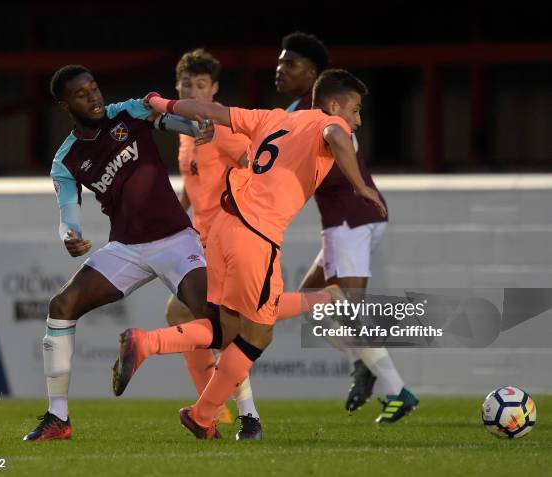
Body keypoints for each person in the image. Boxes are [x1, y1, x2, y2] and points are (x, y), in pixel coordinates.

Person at [112, 69, 387, 439]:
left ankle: (155, 353)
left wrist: (161, 102)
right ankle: (201, 406)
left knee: (226, 329)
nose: (357, 119)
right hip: (255, 234)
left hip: (223, 224)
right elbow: (337, 134)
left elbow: (208, 112)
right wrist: (361, 187)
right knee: (258, 335)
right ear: (334, 104)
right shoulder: (331, 124)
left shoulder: (273, 117)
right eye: (355, 109)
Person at [23, 64, 215, 441]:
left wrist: (196, 126)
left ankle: (245, 415)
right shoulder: (66, 159)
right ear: (65, 104)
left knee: (216, 321)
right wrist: (71, 236)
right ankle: (57, 418)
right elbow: (68, 215)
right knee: (61, 307)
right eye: (81, 94)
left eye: (94, 88)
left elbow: (181, 125)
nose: (93, 97)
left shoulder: (127, 112)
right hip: (127, 247)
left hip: (176, 239)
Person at [276, 32, 418, 423]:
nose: (280, 69)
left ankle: (396, 389)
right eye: (280, 61)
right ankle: (363, 364)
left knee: (347, 307)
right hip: (354, 219)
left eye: (290, 63)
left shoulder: (318, 114)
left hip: (349, 220)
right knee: (310, 301)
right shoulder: (299, 111)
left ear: (314, 73)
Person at [166, 48, 263, 439]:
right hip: (200, 240)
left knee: (218, 327)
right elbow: (194, 182)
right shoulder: (187, 130)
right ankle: (222, 409)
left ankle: (239, 414)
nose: (193, 90)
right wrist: (173, 215)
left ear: (214, 89)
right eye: (187, 84)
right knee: (189, 318)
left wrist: (243, 217)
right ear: (178, 87)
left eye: (201, 85)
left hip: (227, 240)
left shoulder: (219, 127)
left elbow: (254, 168)